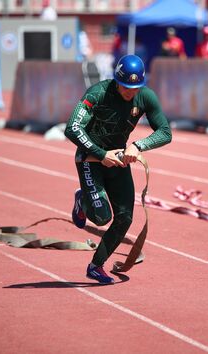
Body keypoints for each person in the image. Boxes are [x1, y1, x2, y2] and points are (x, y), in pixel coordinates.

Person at [64, 54, 172, 284]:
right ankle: (83, 200)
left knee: (125, 218)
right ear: (116, 80)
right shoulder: (97, 93)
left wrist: (137, 146)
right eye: (125, 87)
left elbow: (165, 132)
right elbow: (72, 128)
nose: (130, 92)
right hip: (90, 160)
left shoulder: (145, 97)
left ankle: (96, 266)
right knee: (102, 217)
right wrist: (101, 155)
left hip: (119, 159)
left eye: (135, 87)